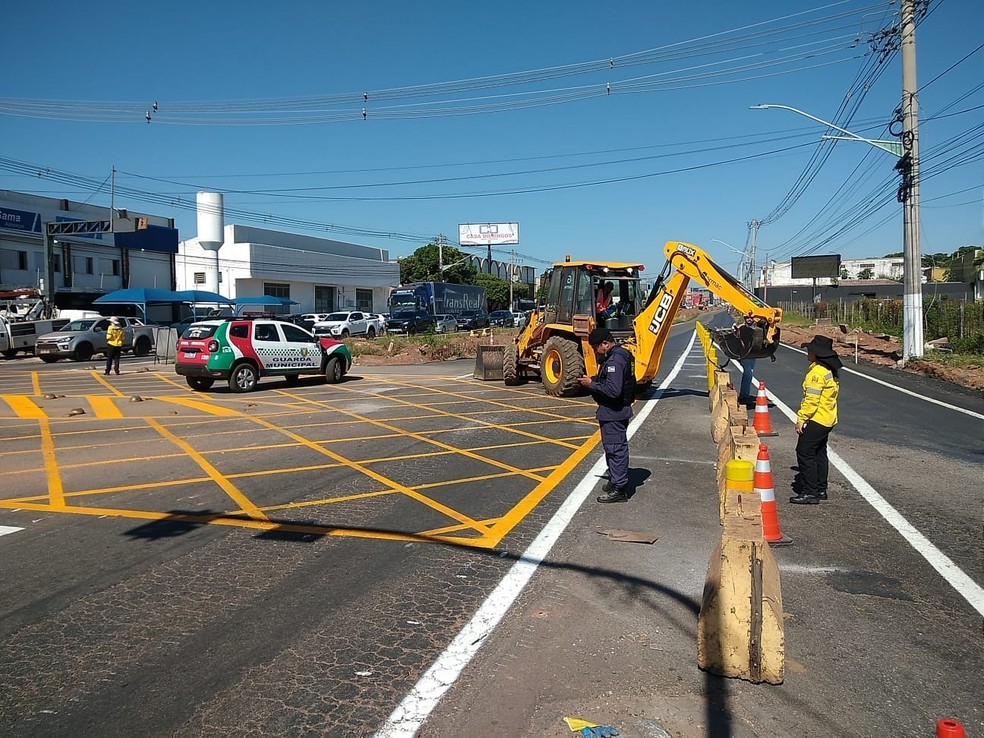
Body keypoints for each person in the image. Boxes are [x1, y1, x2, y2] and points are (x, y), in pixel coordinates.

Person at [578, 327, 635, 503]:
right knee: (611, 447)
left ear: (606, 343)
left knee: (615, 449)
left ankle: (619, 489)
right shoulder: (620, 355)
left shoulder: (615, 361)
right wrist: (595, 380)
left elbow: (613, 390)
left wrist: (591, 384)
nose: (595, 351)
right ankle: (615, 479)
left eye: (596, 347)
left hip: (614, 411)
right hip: (614, 411)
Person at [790, 335, 841, 505]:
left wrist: (801, 419)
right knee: (819, 452)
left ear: (816, 353)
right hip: (828, 418)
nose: (808, 352)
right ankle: (820, 488)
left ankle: (810, 492)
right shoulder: (829, 370)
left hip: (816, 419)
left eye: (810, 349)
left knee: (804, 452)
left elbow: (811, 400)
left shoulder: (817, 373)